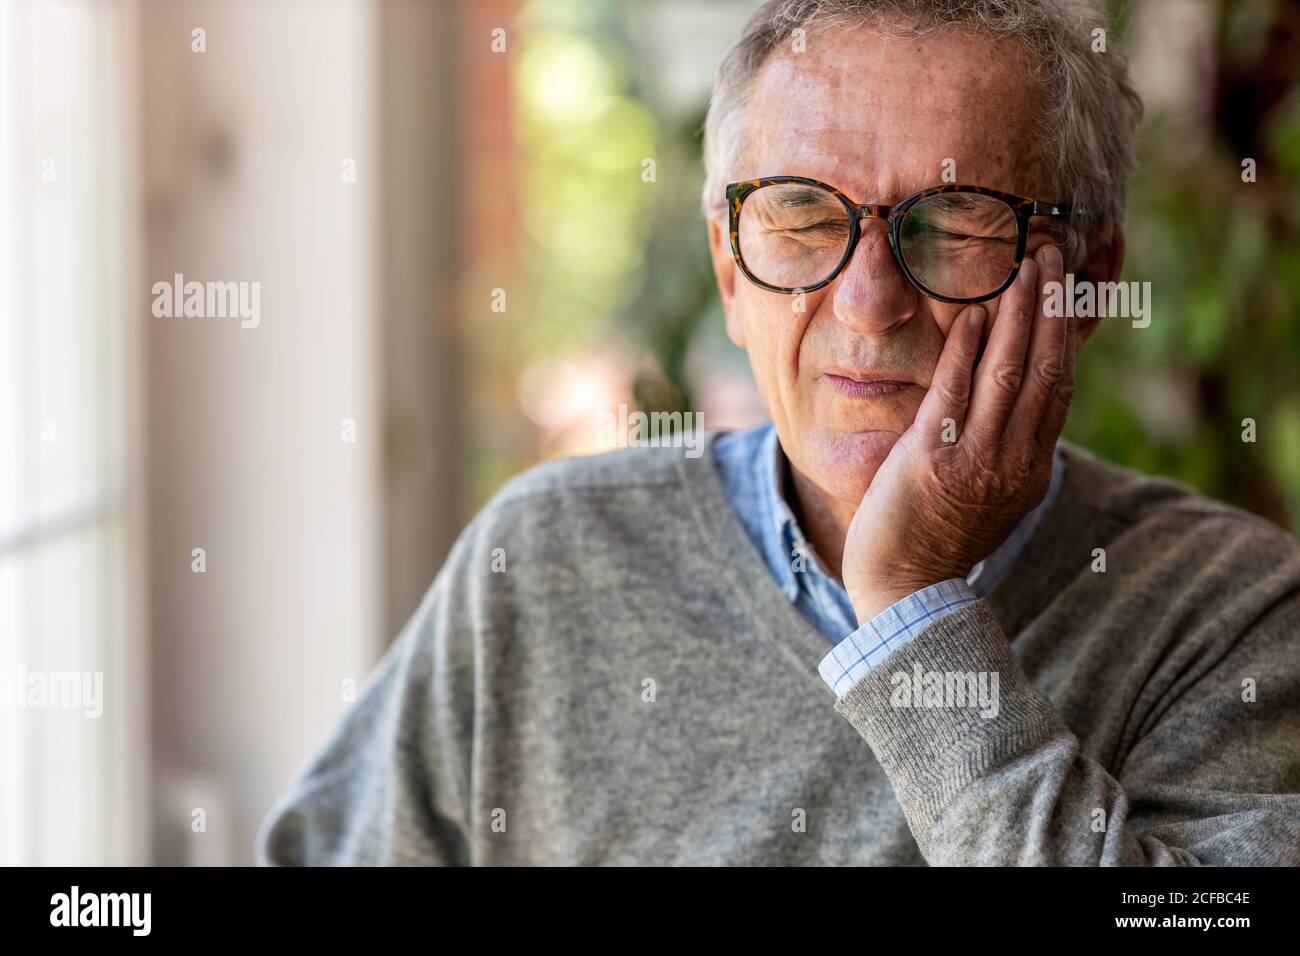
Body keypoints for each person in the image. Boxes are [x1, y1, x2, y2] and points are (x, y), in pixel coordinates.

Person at [259, 0, 1300, 865]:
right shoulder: (543, 563)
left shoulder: (1238, 615)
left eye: (951, 220)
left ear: (1086, 279)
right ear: (726, 267)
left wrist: (912, 607)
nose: (866, 302)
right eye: (802, 216)